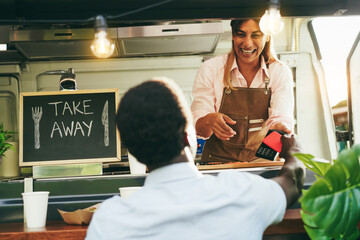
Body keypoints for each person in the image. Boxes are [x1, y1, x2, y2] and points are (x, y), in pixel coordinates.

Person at [86, 77, 305, 240]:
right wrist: (292, 147)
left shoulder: (109, 221)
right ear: (188, 135)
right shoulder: (241, 192)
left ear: (133, 151)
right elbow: (293, 181)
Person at [191, 19, 294, 163]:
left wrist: (265, 160)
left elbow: (280, 120)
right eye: (241, 34)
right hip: (216, 162)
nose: (247, 43)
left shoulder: (279, 71)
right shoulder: (210, 69)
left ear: (268, 36)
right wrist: (209, 120)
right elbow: (201, 129)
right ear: (233, 36)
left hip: (260, 161)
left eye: (256, 35)